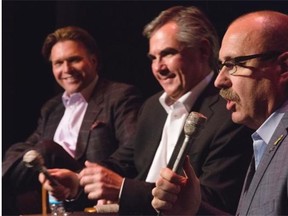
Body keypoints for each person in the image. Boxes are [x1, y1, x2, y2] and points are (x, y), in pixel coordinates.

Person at [39, 6, 254, 215]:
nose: (159, 68)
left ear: (204, 50)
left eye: (168, 54)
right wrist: (78, 182)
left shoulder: (231, 112)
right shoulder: (152, 107)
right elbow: (123, 165)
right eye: (153, 58)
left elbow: (214, 200)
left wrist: (124, 189)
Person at [151, 10, 288, 216]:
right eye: (221, 65)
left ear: (283, 67)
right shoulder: (266, 137)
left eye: (233, 65)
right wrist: (194, 209)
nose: (219, 80)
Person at [2, 26, 143, 215]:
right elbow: (25, 150)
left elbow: (133, 150)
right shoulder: (52, 108)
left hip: (89, 186)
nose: (66, 69)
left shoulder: (119, 96)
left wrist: (82, 176)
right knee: (22, 152)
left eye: (74, 60)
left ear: (93, 61)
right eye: (58, 63)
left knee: (46, 150)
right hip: (52, 195)